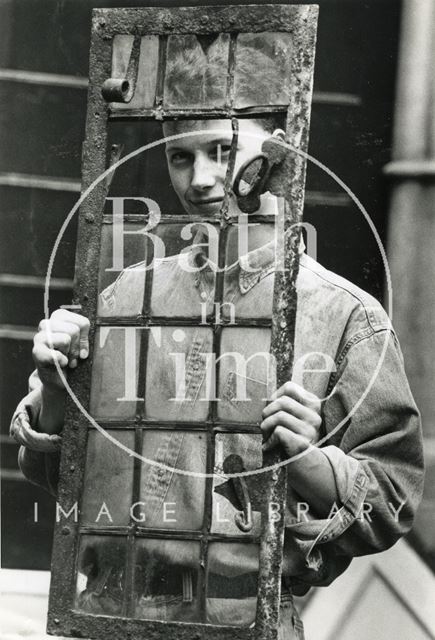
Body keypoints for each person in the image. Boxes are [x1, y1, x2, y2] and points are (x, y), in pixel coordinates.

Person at [10, 38, 424, 639]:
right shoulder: (125, 298)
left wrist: (311, 463)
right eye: (181, 158)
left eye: (222, 150)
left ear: (278, 149)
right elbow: (52, 476)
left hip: (242, 624)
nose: (200, 179)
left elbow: (392, 498)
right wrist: (54, 387)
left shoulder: (343, 318)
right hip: (107, 617)